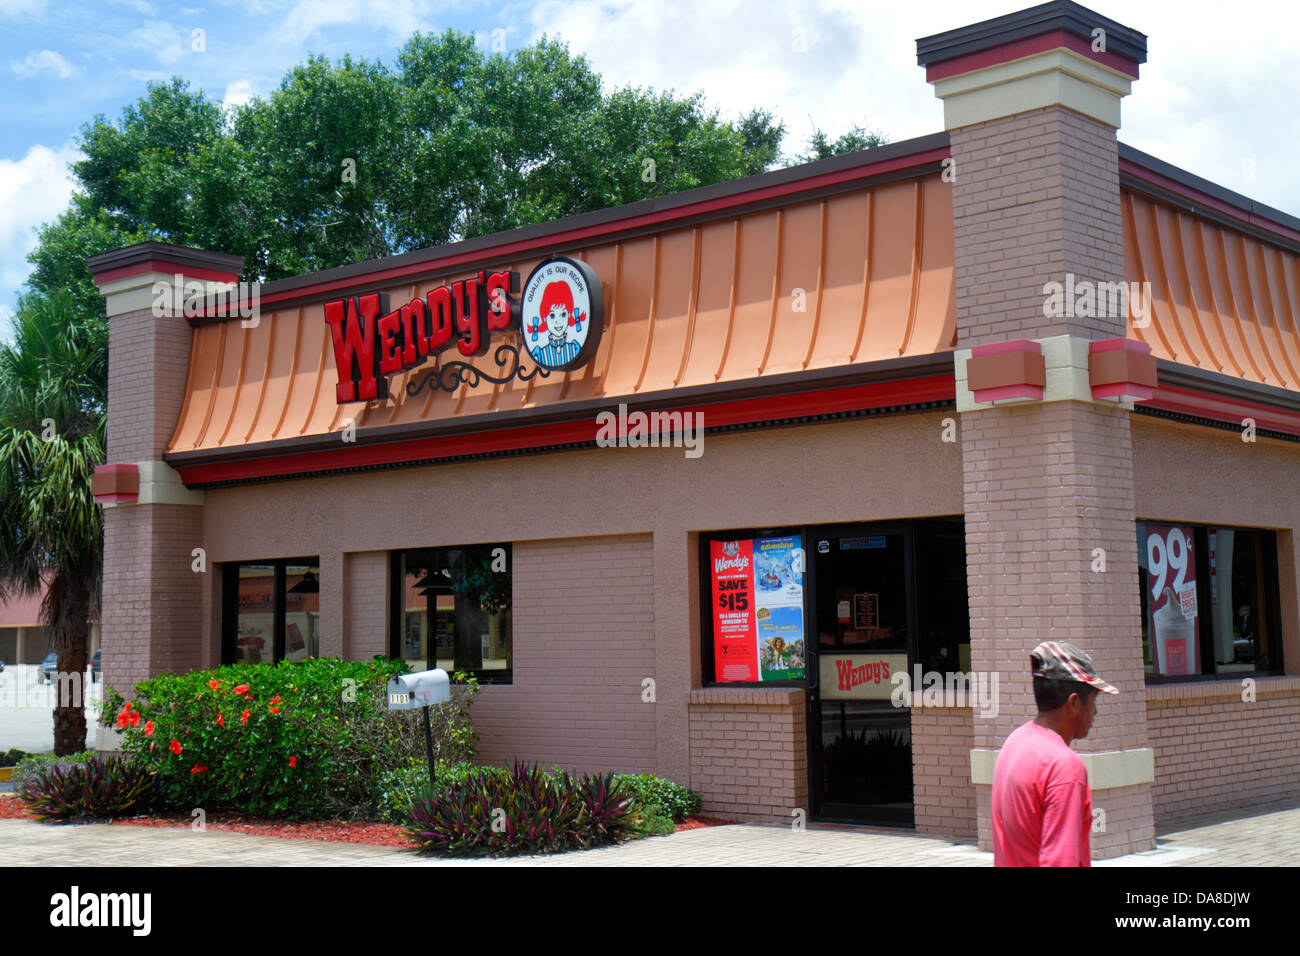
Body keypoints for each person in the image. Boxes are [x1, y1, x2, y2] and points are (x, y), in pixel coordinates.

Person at [991, 640, 1118, 867]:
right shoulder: (1064, 767)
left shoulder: (1014, 743)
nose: (1096, 710)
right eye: (1094, 700)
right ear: (1074, 704)